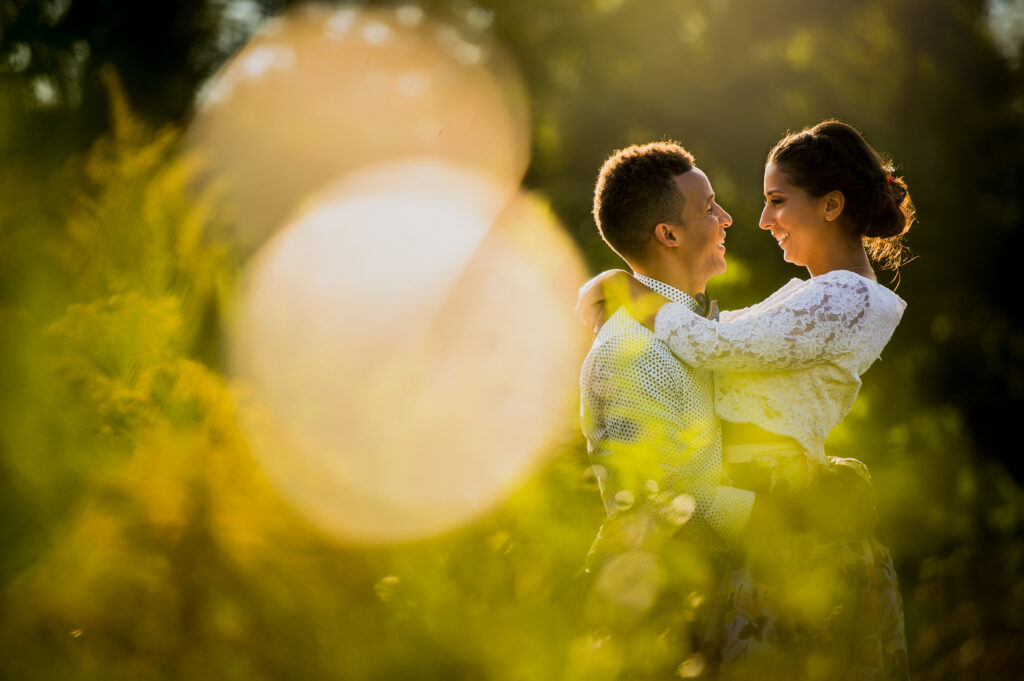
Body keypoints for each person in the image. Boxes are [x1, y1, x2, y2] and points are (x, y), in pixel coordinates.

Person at [578, 120, 912, 680]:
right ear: (669, 235)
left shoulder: (712, 326)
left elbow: (736, 366)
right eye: (710, 208)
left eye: (774, 201)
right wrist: (792, 513)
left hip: (766, 592)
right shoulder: (628, 354)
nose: (734, 218)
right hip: (680, 625)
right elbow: (668, 508)